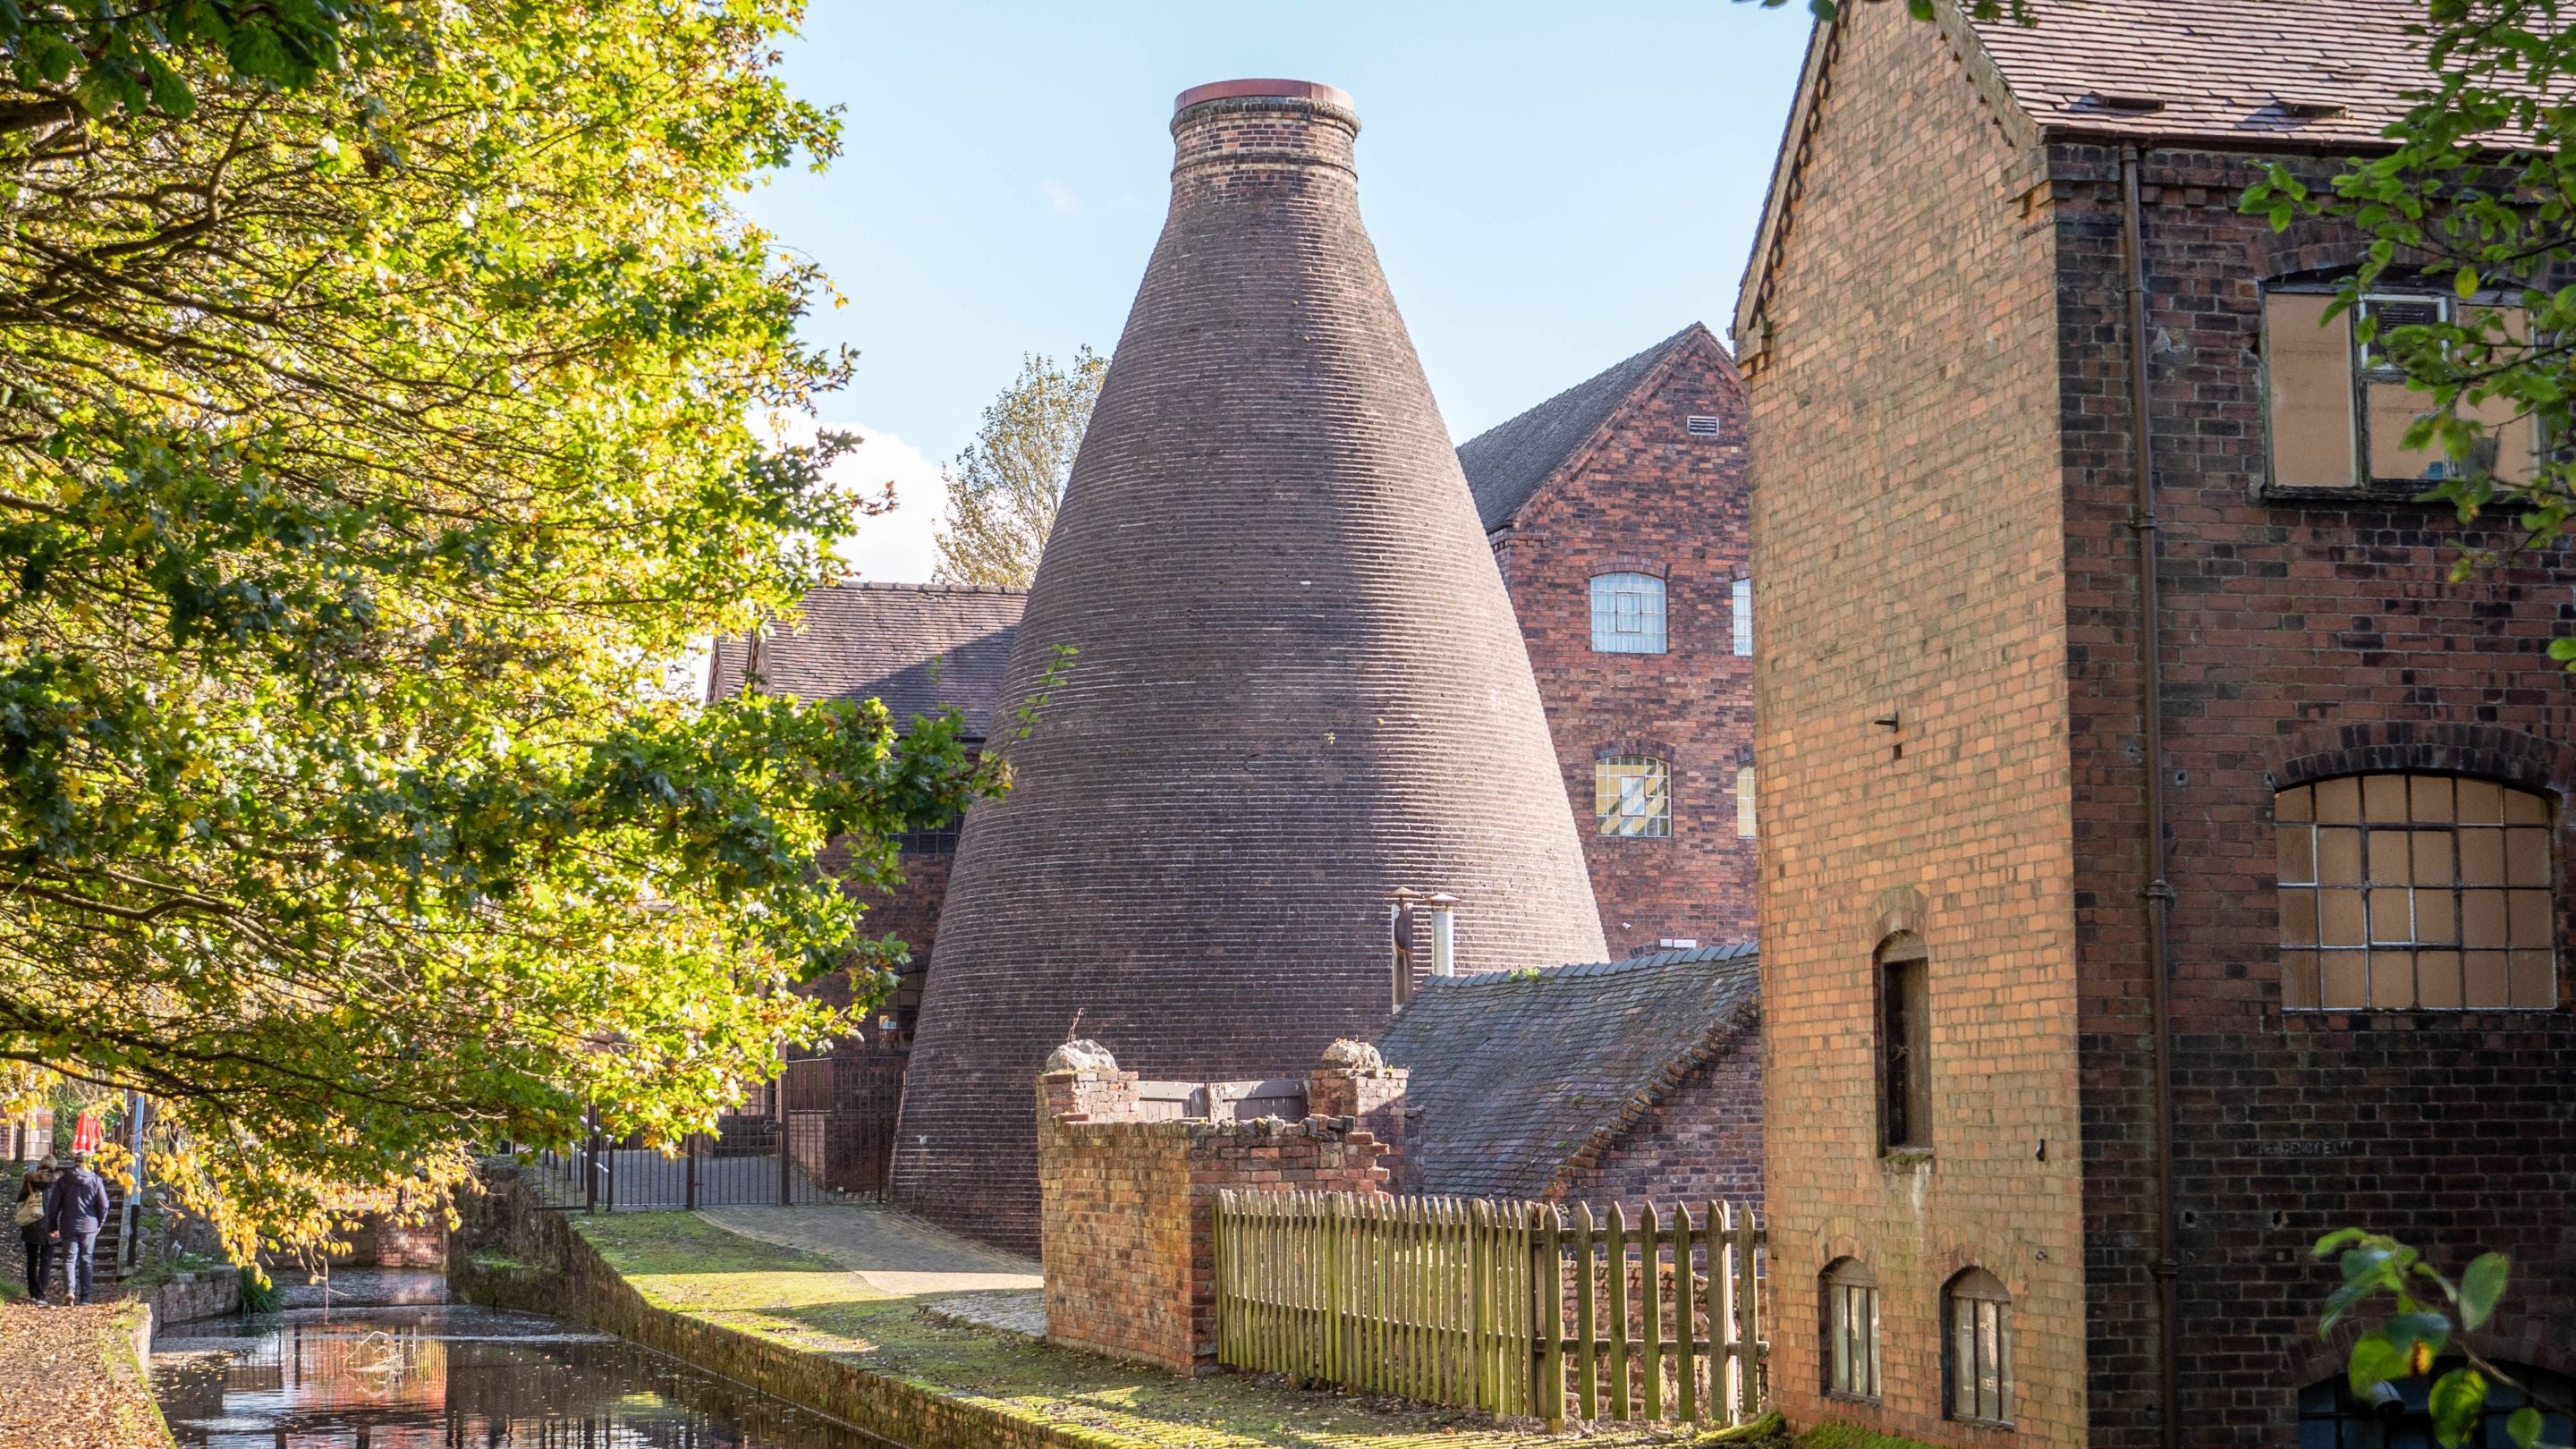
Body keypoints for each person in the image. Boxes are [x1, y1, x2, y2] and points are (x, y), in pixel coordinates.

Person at [44, 1151, 107, 1307]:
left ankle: (69, 1291)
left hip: (69, 1224)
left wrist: (52, 1225)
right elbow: (104, 1205)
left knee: (69, 1259)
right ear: (88, 1162)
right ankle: (85, 1297)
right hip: (89, 1226)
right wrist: (100, 1222)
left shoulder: (64, 1180)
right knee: (86, 1259)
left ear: (74, 1161)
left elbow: (54, 1205)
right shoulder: (96, 1179)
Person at [13, 1157, 55, 1304]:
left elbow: (21, 1200)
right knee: (46, 1260)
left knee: (32, 1259)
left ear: (41, 1166)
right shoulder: (57, 1182)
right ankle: (42, 1294)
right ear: (53, 1167)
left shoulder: (29, 1181)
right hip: (50, 1225)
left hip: (32, 1223)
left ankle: (33, 1292)